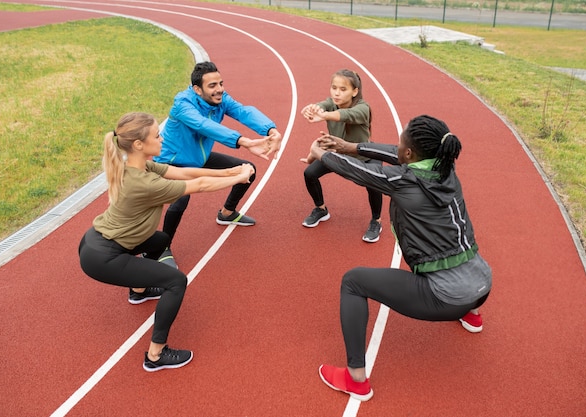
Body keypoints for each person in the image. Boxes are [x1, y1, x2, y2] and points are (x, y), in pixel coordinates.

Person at [306, 115, 492, 401]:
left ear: (409, 154)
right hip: (483, 285)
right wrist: (349, 146)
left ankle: (356, 379)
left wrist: (322, 154)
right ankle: (472, 315)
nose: (398, 146)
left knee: (353, 281)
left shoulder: (403, 181)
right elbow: (394, 154)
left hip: (446, 299)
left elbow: (358, 173)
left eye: (402, 142)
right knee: (452, 251)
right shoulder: (446, 168)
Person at [78, 112, 255, 372]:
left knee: (159, 239)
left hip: (97, 239)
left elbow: (182, 172)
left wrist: (231, 169)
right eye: (157, 136)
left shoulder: (139, 166)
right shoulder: (145, 184)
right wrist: (239, 178)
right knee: (176, 281)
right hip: (103, 257)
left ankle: (138, 291)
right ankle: (155, 355)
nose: (162, 139)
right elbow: (200, 185)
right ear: (139, 144)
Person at [154, 61, 283, 267]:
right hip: (171, 162)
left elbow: (244, 112)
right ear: (197, 89)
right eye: (212, 85)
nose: (220, 89)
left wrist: (271, 130)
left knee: (247, 170)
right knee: (181, 199)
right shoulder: (183, 104)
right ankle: (163, 247)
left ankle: (227, 213)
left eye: (221, 83)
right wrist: (244, 141)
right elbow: (204, 125)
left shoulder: (221, 99)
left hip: (198, 159)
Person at [300, 69, 383, 242]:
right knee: (309, 174)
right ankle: (321, 209)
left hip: (364, 155)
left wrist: (323, 115)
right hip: (338, 153)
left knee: (374, 183)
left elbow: (347, 115)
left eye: (343, 89)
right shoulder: (331, 103)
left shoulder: (363, 108)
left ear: (355, 91)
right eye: (334, 87)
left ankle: (376, 221)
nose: (337, 93)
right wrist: (313, 108)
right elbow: (322, 105)